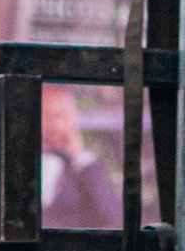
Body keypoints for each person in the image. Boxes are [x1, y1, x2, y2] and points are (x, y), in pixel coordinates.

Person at [38, 83, 123, 230]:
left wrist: (78, 154)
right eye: (50, 116)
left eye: (65, 117)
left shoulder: (82, 169)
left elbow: (113, 218)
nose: (57, 126)